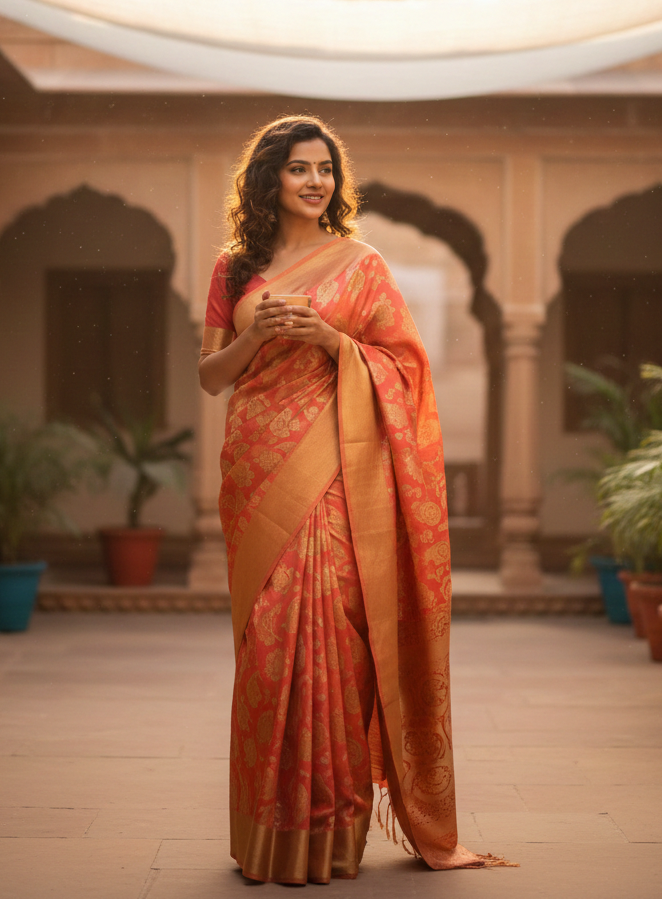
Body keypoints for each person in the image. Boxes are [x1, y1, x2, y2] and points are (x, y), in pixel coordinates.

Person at [198, 115, 514, 884]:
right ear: (269, 177)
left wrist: (333, 344)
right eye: (299, 168)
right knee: (271, 650)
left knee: (334, 643)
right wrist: (259, 334)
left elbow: (403, 367)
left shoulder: (362, 266)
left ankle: (329, 836)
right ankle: (268, 833)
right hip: (257, 466)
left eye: (326, 169)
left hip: (338, 472)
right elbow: (212, 375)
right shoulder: (234, 271)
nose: (315, 182)